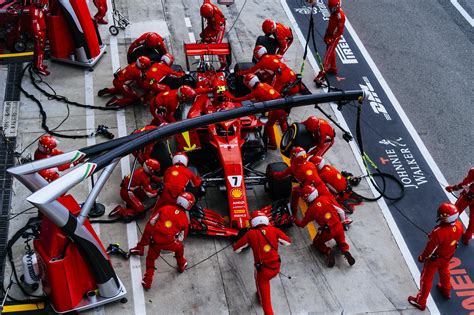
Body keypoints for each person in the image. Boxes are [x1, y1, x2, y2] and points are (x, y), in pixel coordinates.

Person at [130, 192, 195, 289]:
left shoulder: (165, 208)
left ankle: (147, 280)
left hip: (155, 241)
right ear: (188, 205)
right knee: (180, 247)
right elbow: (181, 238)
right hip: (169, 242)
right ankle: (181, 264)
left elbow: (151, 222)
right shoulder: (185, 219)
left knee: (150, 259)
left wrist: (144, 242)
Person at [233, 211, 291, 315]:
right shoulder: (274, 230)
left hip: (263, 272)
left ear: (253, 222)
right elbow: (287, 242)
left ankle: (260, 298)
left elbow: (237, 249)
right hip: (276, 268)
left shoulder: (250, 234)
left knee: (266, 304)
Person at [408, 203, 463, 311]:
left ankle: (421, 301)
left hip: (435, 259)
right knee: (445, 271)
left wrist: (422, 257)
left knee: (426, 279)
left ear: (446, 217)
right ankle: (446, 290)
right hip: (448, 255)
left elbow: (429, 249)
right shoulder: (459, 225)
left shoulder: (439, 233)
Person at [295, 185, 355, 267]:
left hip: (328, 232)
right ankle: (345, 250)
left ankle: (328, 251)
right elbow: (341, 211)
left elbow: (302, 224)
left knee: (316, 242)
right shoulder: (325, 198)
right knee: (341, 241)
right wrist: (341, 222)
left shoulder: (310, 211)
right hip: (338, 226)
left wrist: (294, 220)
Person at [227, 74, 286, 150]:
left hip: (276, 109)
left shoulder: (257, 91)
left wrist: (232, 99)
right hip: (283, 104)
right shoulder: (264, 84)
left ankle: (273, 144)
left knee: (268, 126)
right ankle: (289, 141)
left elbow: (244, 98)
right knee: (283, 123)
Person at [237, 46, 301, 96]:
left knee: (272, 95)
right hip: (288, 71)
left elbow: (251, 71)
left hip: (279, 78)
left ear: (257, 54)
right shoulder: (273, 56)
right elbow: (280, 58)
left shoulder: (262, 62)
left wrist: (240, 73)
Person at [314, 0, 345, 83]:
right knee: (330, 51)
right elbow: (330, 26)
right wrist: (326, 36)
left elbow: (339, 31)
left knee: (328, 54)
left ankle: (323, 72)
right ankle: (334, 68)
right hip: (330, 34)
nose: (330, 9)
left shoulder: (340, 16)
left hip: (335, 37)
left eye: (332, 8)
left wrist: (331, 39)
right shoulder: (334, 13)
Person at [446, 167, 474, 244]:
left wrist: (453, 188)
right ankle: (467, 237)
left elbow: (465, 184)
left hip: (467, 197)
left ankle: (446, 233)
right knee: (473, 220)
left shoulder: (473, 171)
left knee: (454, 213)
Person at [200, 0, 226, 68]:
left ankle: (223, 63)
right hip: (211, 24)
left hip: (218, 27)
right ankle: (202, 59)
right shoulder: (206, 5)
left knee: (218, 45)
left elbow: (216, 30)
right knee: (202, 36)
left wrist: (209, 35)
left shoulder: (216, 17)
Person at [30, 0, 49, 75]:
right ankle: (39, 67)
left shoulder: (38, 8)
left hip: (41, 31)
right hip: (39, 33)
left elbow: (44, 10)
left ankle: (37, 65)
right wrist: (38, 35)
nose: (43, 5)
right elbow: (33, 25)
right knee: (40, 51)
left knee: (38, 50)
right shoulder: (34, 11)